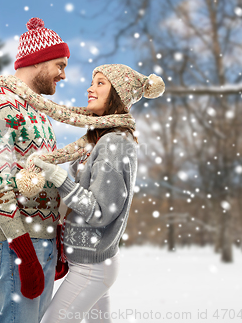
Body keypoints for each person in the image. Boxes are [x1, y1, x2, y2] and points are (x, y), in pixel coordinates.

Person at [30, 64, 166, 323]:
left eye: (100, 83)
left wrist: (60, 179)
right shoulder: (101, 138)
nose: (90, 88)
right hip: (91, 264)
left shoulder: (114, 142)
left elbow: (101, 212)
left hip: (91, 269)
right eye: (93, 82)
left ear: (118, 94)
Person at [0, 17, 70, 323]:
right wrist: (24, 251)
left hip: (42, 240)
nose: (63, 76)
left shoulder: (38, 113)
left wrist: (56, 236)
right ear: (38, 62)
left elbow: (46, 177)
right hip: (16, 245)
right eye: (60, 65)